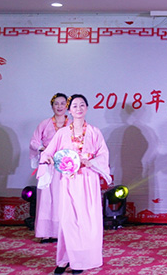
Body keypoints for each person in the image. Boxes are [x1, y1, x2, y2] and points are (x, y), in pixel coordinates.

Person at [37, 94, 111, 275]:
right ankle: (65, 259)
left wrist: (90, 162)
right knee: (68, 220)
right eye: (75, 106)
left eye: (82, 105)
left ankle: (83, 260)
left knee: (87, 220)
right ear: (69, 110)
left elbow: (103, 154)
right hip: (69, 181)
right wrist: (49, 160)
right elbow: (47, 153)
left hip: (88, 180)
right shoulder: (62, 133)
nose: (78, 108)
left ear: (87, 108)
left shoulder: (94, 131)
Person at [29, 93, 68, 243]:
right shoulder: (45, 123)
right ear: (52, 106)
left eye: (62, 103)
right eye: (56, 103)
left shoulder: (72, 124)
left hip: (65, 165)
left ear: (67, 106)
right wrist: (42, 149)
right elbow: (34, 142)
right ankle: (45, 233)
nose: (59, 106)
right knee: (45, 198)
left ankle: (61, 232)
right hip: (47, 164)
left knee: (62, 197)